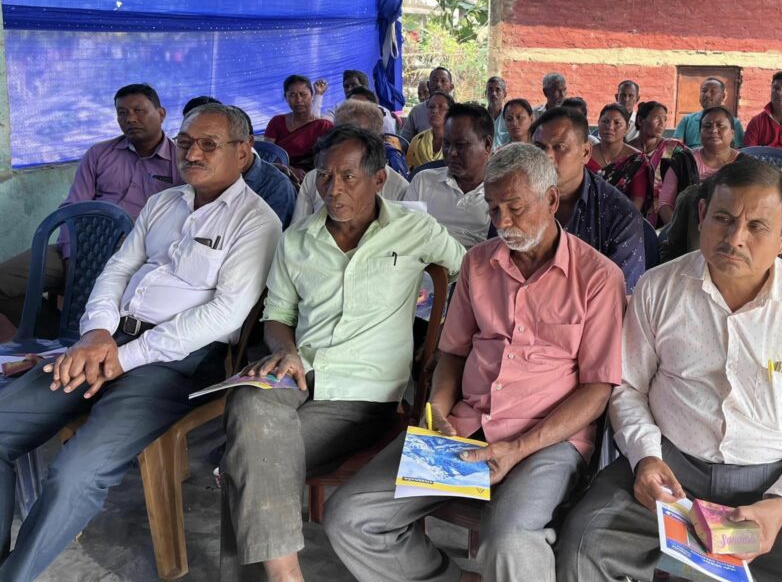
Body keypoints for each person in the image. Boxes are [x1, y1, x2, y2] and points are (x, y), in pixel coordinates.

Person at [0, 104, 282, 581]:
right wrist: (95, 334)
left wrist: (123, 357)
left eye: (207, 144)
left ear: (242, 153)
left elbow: (223, 316)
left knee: (76, 470)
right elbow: (117, 270)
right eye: (186, 142)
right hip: (106, 344)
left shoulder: (257, 222)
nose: (192, 152)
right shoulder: (163, 203)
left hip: (176, 364)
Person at [326, 143, 627, 582]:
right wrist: (439, 413)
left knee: (508, 539)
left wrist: (519, 448)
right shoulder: (478, 263)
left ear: (550, 200)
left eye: (516, 207)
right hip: (469, 424)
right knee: (349, 516)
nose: (502, 222)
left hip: (546, 440)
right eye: (493, 208)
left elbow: (598, 388)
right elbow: (454, 352)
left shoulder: (598, 278)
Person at [557, 157, 782, 582]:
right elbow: (628, 388)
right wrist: (646, 457)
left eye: (757, 226)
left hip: (776, 480)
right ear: (701, 217)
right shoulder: (659, 288)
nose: (735, 238)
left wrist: (781, 506)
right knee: (581, 546)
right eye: (723, 218)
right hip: (671, 472)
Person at [219, 125, 465, 580]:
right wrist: (287, 351)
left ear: (379, 180)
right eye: (325, 177)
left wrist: (444, 324)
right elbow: (277, 316)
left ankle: (277, 575)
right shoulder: (297, 241)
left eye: (349, 177)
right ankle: (284, 572)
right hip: (300, 374)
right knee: (249, 401)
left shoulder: (416, 230)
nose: (334, 189)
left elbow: (472, 274)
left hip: (363, 393)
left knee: (244, 458)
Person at [0, 83, 181, 342]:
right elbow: (72, 209)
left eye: (139, 111)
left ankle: (98, 344)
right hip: (79, 249)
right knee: (3, 282)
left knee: (124, 303)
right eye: (122, 113)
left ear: (161, 113)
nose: (130, 118)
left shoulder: (180, 160)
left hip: (139, 256)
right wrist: (74, 256)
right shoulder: (99, 153)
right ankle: (54, 337)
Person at [530, 107, 645, 293]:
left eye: (560, 147)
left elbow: (619, 297)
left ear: (585, 153)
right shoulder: (515, 202)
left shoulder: (620, 215)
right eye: (539, 147)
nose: (547, 157)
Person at [293, 101, 410, 223]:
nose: (349, 147)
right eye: (342, 137)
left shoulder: (399, 187)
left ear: (379, 140)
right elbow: (298, 229)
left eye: (361, 139)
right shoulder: (314, 179)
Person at [405, 103, 493, 249]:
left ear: (487, 144)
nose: (451, 152)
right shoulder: (423, 181)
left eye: (461, 145)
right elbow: (405, 236)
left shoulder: (503, 192)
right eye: (446, 143)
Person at [658, 105, 741, 227]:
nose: (713, 130)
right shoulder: (682, 161)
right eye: (707, 126)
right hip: (686, 232)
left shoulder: (744, 164)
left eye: (720, 126)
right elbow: (665, 204)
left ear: (733, 133)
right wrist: (679, 230)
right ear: (700, 132)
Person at [232, 106, 296, 228]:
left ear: (248, 142)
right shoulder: (207, 177)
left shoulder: (277, 187)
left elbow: (270, 241)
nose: (195, 155)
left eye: (211, 145)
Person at [587, 103, 652, 215]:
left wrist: (622, 221)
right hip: (586, 215)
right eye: (605, 122)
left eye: (617, 123)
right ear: (598, 123)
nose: (610, 127)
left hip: (623, 218)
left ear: (627, 128)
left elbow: (638, 198)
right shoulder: (584, 154)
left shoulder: (636, 159)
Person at [264, 75, 334, 173]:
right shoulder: (276, 122)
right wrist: (289, 169)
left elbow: (332, 158)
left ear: (312, 95)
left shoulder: (324, 126)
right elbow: (265, 156)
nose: (299, 100)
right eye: (292, 95)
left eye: (303, 94)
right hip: (280, 175)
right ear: (286, 97)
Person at [629, 101, 684, 225]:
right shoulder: (626, 150)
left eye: (665, 119)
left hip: (664, 215)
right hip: (630, 212)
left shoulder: (672, 148)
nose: (662, 123)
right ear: (640, 121)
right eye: (657, 118)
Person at [672, 77, 744, 147]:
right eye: (704, 91)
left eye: (713, 91)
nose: (707, 95)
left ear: (723, 96)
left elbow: (738, 150)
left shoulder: (734, 122)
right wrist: (666, 158)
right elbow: (673, 146)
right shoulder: (687, 120)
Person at [743, 71, 782, 151]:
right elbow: (749, 154)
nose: (779, 93)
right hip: (762, 163)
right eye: (776, 88)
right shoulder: (757, 122)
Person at [401, 67, 454, 141]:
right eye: (434, 80)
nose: (438, 84)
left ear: (451, 87)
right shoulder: (417, 111)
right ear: (428, 85)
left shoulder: (458, 112)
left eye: (443, 81)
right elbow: (404, 141)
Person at [406, 91, 454, 171]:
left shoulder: (456, 142)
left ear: (451, 112)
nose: (434, 110)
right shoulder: (417, 141)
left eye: (441, 107)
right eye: (431, 107)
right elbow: (410, 171)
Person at [486, 76, 510, 147]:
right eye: (490, 90)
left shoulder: (510, 118)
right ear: (485, 94)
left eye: (498, 90)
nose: (493, 93)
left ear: (505, 94)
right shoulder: (480, 117)